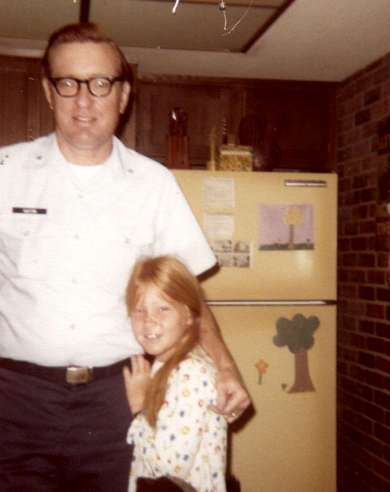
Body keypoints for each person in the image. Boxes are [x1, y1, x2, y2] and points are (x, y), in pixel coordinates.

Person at [0, 21, 250, 492]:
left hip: (124, 396)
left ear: (123, 95)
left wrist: (224, 365)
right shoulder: (5, 173)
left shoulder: (154, 183)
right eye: (68, 83)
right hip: (17, 402)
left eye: (100, 83)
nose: (84, 100)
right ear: (49, 93)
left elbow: (185, 297)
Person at [123, 256, 227, 492]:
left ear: (190, 314)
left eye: (163, 309)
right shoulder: (170, 364)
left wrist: (140, 407)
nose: (149, 321)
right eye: (139, 310)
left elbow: (168, 470)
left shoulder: (191, 374)